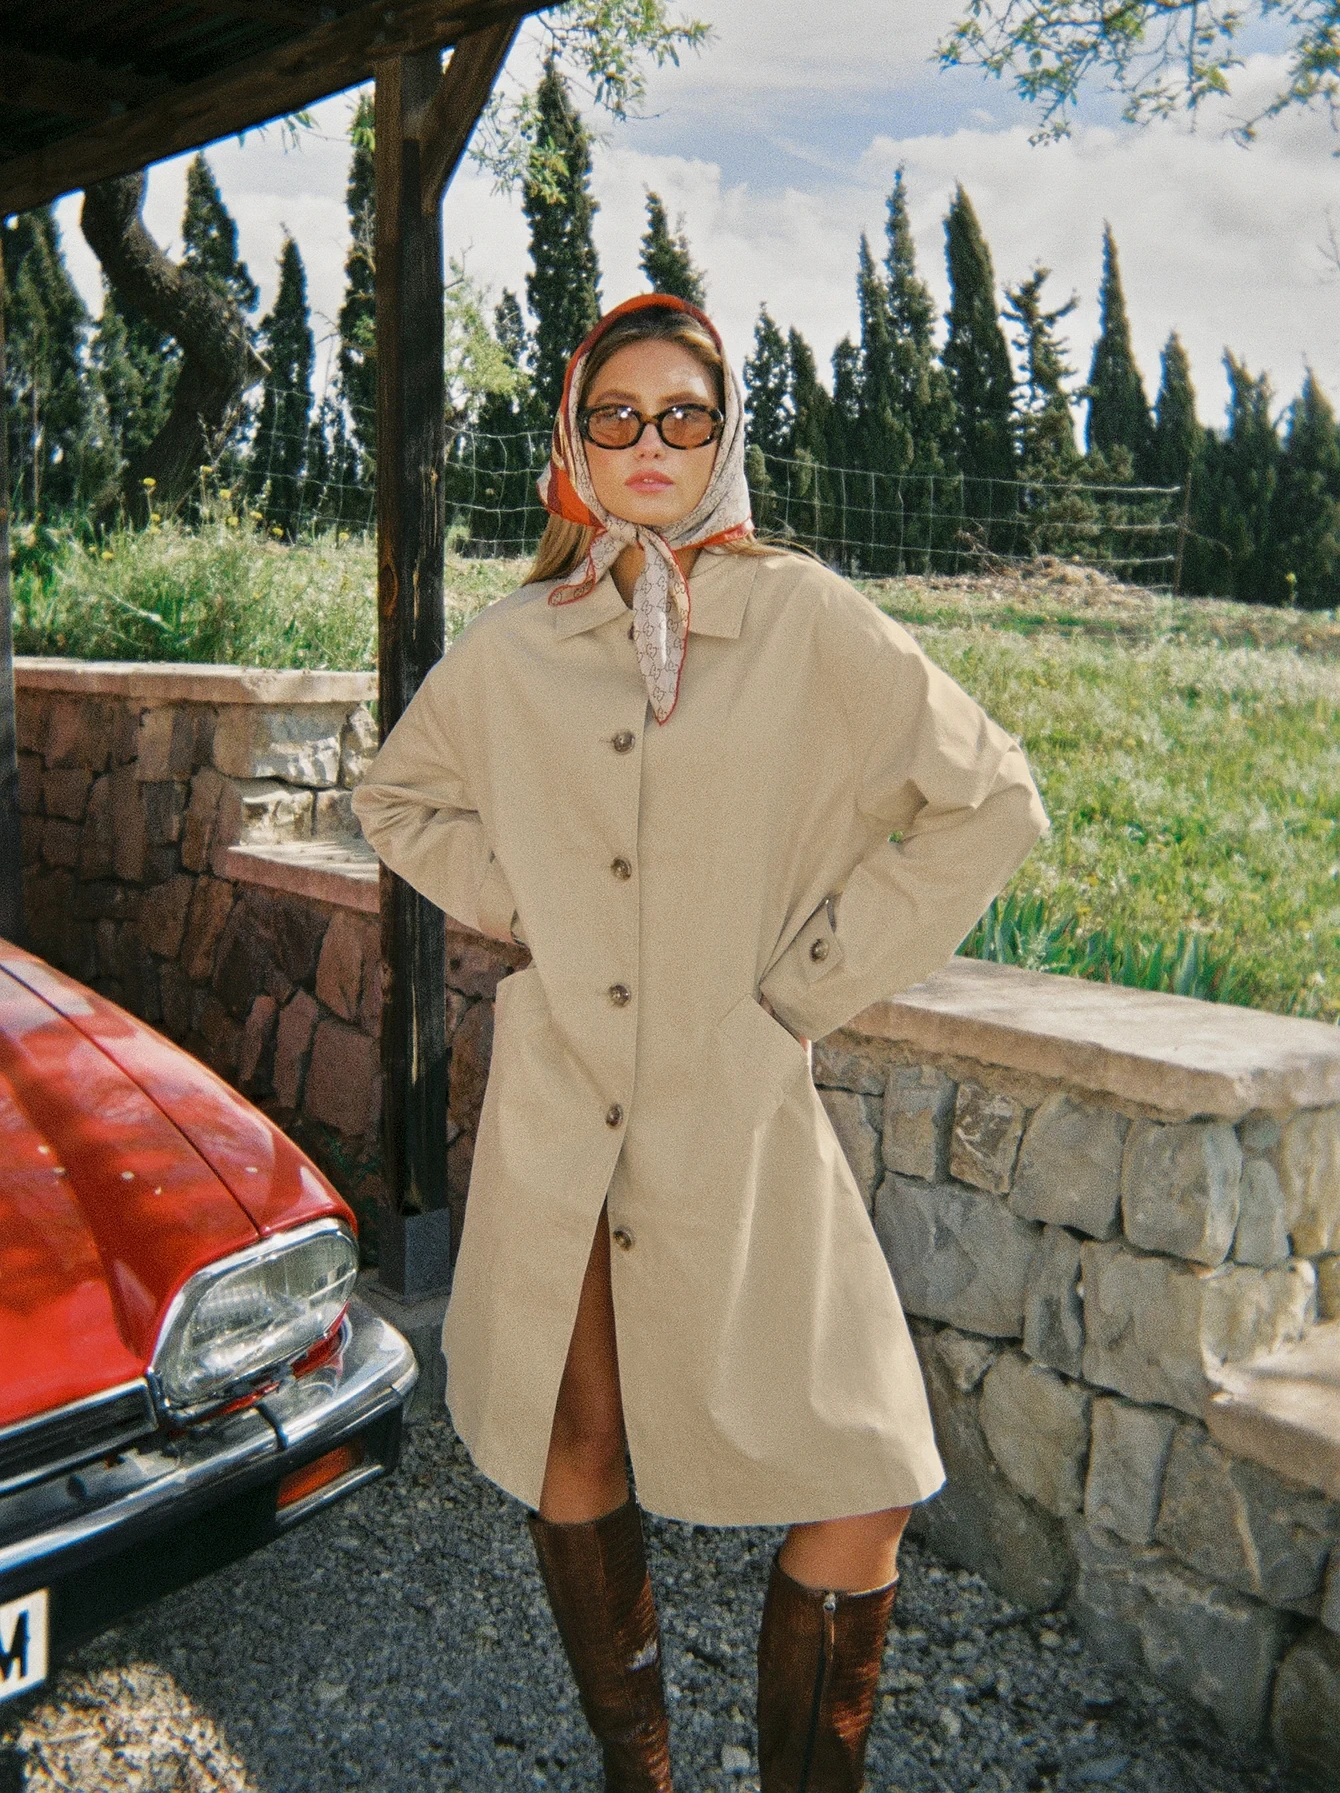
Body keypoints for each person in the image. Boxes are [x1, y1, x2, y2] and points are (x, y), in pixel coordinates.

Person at [352, 294, 1049, 1793]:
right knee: (574, 1442)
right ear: (573, 439)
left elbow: (991, 801)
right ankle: (643, 1775)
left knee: (866, 1473)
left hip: (737, 1111)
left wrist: (802, 986)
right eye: (617, 414)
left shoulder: (804, 619)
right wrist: (536, 904)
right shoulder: (516, 645)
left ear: (727, 437)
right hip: (562, 1109)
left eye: (686, 413)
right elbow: (397, 798)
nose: (651, 441)